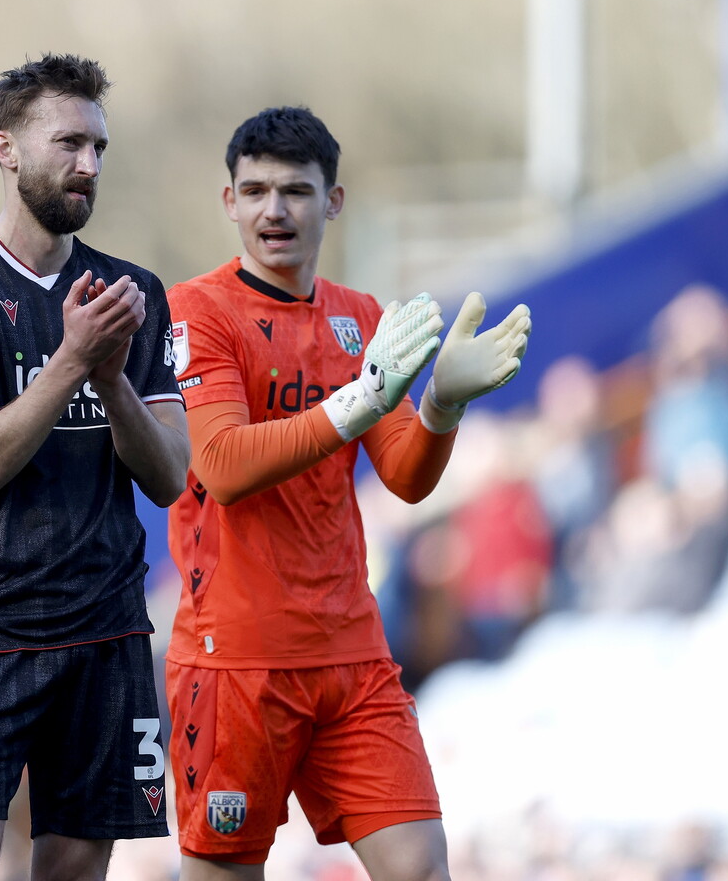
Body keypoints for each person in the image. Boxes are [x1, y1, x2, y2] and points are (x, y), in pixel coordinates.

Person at [164, 105, 531, 880]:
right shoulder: (200, 310)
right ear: (228, 201)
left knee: (420, 866)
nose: (274, 210)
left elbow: (404, 475)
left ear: (332, 201)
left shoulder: (360, 318)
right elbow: (223, 465)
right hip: (237, 662)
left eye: (295, 190)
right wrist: (357, 401)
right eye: (255, 190)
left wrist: (440, 406)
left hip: (351, 657)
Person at [0, 53, 190, 881]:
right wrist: (71, 363)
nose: (89, 164)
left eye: (99, 146)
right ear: (7, 148)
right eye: (68, 142)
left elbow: (171, 477)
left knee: (72, 872)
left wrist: (109, 378)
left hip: (105, 629)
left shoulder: (131, 293)